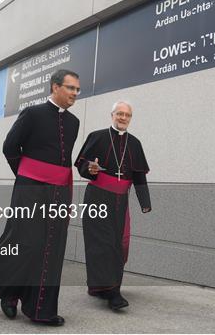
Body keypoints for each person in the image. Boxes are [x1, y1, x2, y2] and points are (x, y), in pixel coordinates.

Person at [0, 69, 81, 326]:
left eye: (77, 90)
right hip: (30, 189)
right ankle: (9, 293)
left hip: (59, 191)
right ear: (55, 87)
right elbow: (9, 147)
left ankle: (41, 309)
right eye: (70, 88)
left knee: (52, 247)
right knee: (27, 242)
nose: (75, 94)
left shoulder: (74, 122)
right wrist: (27, 177)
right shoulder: (32, 114)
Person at [75, 101, 151, 311]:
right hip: (98, 196)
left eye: (127, 115)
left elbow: (139, 175)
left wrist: (145, 202)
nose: (123, 118)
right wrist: (90, 169)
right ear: (112, 115)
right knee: (103, 244)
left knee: (122, 243)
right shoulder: (97, 137)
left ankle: (100, 286)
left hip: (121, 200)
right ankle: (113, 292)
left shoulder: (134, 143)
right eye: (120, 113)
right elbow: (82, 165)